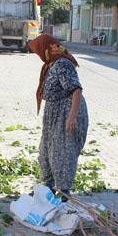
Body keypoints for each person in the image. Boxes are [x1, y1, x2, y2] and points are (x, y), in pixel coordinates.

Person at [29, 34, 89, 199]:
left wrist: (72, 117)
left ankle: (64, 192)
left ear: (46, 49)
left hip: (66, 112)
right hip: (54, 112)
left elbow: (76, 90)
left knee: (62, 151)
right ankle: (48, 187)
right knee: (46, 150)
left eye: (38, 50)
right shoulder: (51, 64)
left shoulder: (62, 64)